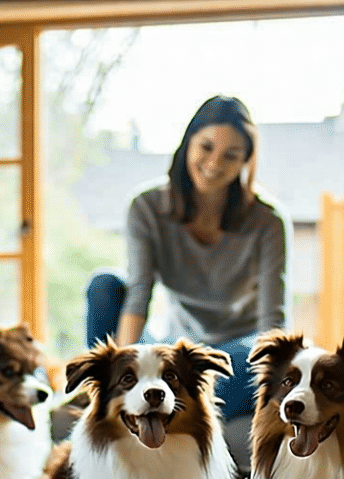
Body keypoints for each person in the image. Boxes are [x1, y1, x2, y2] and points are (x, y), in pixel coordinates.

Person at [85, 95, 291, 420]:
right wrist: (126, 374)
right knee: (104, 285)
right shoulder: (147, 208)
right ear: (188, 144)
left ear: (245, 162)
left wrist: (275, 378)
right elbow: (138, 296)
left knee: (260, 357)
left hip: (239, 351)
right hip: (177, 352)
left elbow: (273, 325)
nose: (214, 163)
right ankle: (115, 400)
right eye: (206, 147)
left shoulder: (268, 222)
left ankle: (176, 407)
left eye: (231, 155)